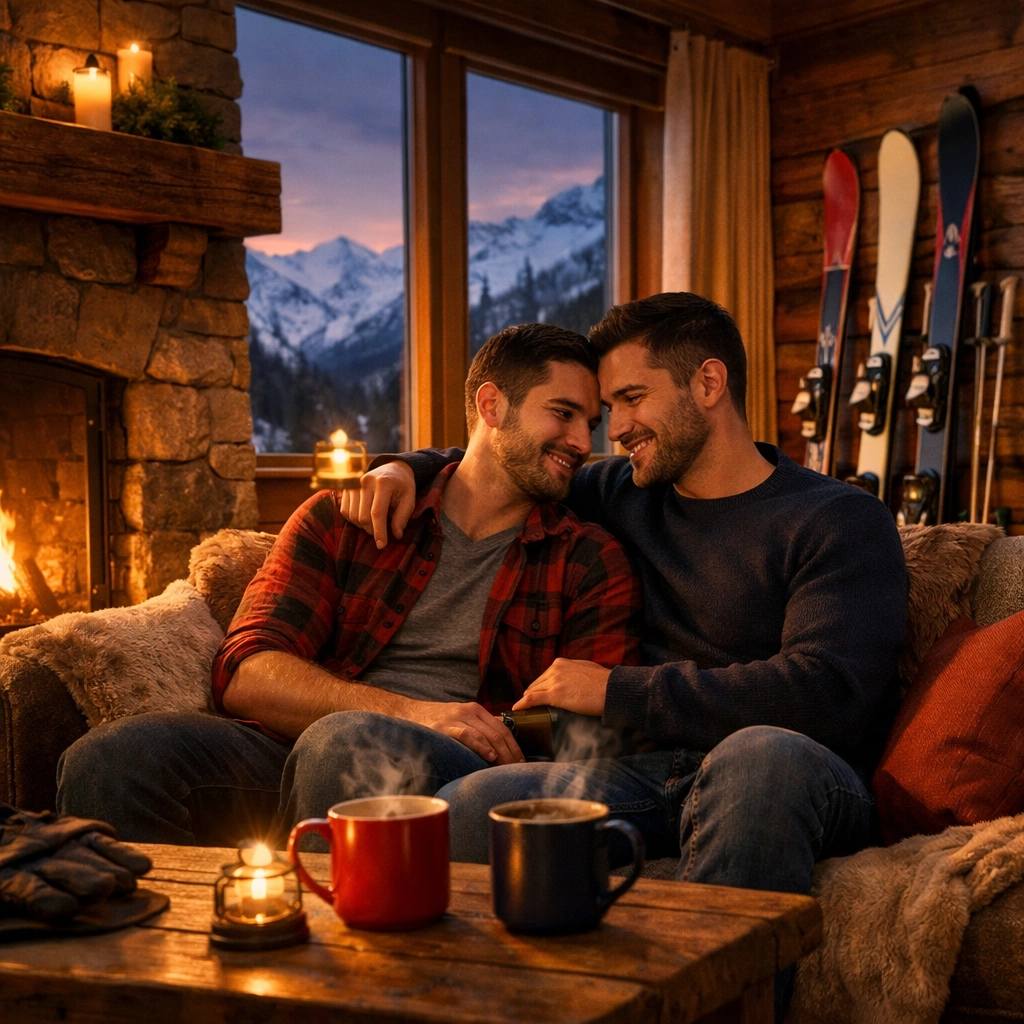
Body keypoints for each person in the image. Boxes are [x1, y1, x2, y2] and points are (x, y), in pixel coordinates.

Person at [346, 293, 909, 897]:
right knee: (472, 802)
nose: (613, 431)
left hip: (800, 771)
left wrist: (614, 689)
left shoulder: (838, 518)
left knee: (759, 758)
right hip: (642, 775)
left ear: (709, 384)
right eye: (608, 408)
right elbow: (499, 460)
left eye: (632, 400)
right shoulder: (621, 491)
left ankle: (718, 990)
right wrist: (404, 466)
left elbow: (830, 696)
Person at [56, 324, 642, 845]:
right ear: (491, 405)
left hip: (464, 774)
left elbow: (588, 731)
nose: (582, 442)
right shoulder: (344, 520)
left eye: (589, 425)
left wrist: (473, 730)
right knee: (108, 759)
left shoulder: (588, 559)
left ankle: (326, 959)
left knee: (344, 744)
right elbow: (245, 672)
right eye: (562, 413)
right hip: (295, 748)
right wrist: (412, 711)